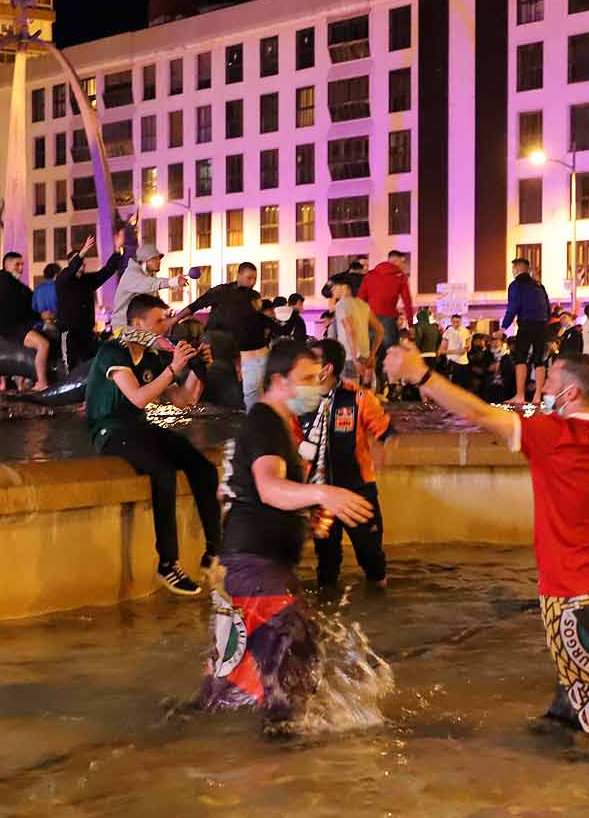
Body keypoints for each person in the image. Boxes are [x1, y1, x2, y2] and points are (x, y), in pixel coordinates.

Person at [383, 319, 589, 746]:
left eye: (551, 381)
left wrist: (419, 374)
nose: (543, 388)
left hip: (571, 585)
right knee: (586, 672)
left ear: (571, 393)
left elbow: (478, 413)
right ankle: (560, 733)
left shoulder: (552, 434)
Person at [201, 340, 375, 728]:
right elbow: (267, 487)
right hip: (256, 570)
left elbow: (259, 493)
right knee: (287, 670)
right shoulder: (265, 423)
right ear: (278, 381)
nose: (317, 386)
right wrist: (322, 492)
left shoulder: (275, 424)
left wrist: (306, 515)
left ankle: (209, 748)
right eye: (307, 379)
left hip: (251, 568)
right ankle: (283, 763)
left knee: (242, 679)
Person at [87, 294, 221, 596]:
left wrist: (198, 370)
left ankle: (214, 551)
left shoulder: (152, 357)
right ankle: (168, 562)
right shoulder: (113, 351)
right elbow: (137, 397)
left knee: (200, 465)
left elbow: (183, 401)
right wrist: (173, 368)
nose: (166, 326)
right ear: (137, 324)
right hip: (109, 431)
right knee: (161, 471)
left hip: (140, 429)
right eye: (159, 320)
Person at [302, 338, 392, 586]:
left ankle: (379, 604)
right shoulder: (300, 401)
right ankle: (326, 611)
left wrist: (383, 445)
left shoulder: (359, 397)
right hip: (321, 494)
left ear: (326, 368)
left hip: (358, 491)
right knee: (326, 563)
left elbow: (383, 428)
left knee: (372, 557)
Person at [180, 262, 268, 408]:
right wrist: (174, 320)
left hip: (236, 346)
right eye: (249, 278)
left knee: (234, 380)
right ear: (239, 275)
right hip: (214, 340)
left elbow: (255, 322)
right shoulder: (221, 291)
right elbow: (195, 305)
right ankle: (192, 401)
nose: (252, 282)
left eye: (255, 279)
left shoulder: (254, 296)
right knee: (203, 371)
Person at [55, 231, 126, 373]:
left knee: (92, 363)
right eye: (77, 262)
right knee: (70, 365)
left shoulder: (87, 280)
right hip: (69, 331)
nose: (81, 264)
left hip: (86, 331)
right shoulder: (63, 279)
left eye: (83, 262)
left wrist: (117, 250)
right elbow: (70, 271)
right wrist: (83, 251)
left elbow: (106, 271)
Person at [0, 251, 52, 391]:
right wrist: (39, 316)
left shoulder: (8, 283)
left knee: (26, 350)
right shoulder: (7, 285)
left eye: (22, 264)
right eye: (17, 264)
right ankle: (41, 382)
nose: (21, 268)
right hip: (12, 327)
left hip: (11, 326)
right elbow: (18, 307)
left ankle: (21, 384)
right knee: (43, 345)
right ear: (7, 265)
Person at [501, 256, 552, 405]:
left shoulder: (516, 285)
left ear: (516, 269)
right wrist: (545, 320)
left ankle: (520, 395)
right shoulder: (539, 285)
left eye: (513, 269)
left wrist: (504, 327)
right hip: (542, 324)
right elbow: (548, 307)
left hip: (527, 324)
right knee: (539, 360)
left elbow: (513, 307)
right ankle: (537, 396)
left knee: (521, 358)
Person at [110, 241, 188, 330]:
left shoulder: (148, 275)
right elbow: (149, 284)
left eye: (159, 258)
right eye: (154, 259)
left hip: (138, 326)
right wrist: (174, 281)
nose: (158, 261)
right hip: (123, 327)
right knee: (157, 343)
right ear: (144, 261)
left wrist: (165, 311)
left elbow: (152, 301)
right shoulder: (132, 274)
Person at [359, 250, 414, 360]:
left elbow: (360, 299)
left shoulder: (370, 275)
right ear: (396, 261)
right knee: (391, 356)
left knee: (371, 355)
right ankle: (388, 377)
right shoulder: (400, 277)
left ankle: (372, 376)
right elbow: (407, 302)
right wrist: (410, 324)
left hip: (370, 319)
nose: (403, 265)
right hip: (388, 320)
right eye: (402, 262)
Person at [326, 275, 378, 384]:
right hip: (365, 354)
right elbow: (380, 330)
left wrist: (354, 357)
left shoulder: (341, 304)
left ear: (344, 287)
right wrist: (372, 353)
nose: (332, 291)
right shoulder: (363, 305)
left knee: (351, 393)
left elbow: (350, 329)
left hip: (349, 355)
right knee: (363, 394)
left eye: (334, 287)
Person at [437, 313, 470, 378]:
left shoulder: (466, 331)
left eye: (458, 322)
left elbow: (468, 345)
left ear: (461, 322)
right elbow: (442, 350)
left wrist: (467, 348)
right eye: (454, 322)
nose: (456, 324)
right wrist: (457, 351)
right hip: (453, 361)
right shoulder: (448, 332)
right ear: (451, 322)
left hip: (464, 361)